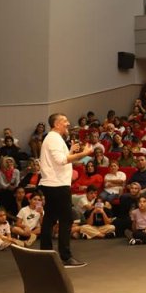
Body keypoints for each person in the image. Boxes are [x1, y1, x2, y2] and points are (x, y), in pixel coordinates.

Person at [38, 113, 93, 267]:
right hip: (57, 185)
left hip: (53, 184)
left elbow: (60, 159)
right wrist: (84, 154)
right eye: (64, 121)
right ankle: (65, 257)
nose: (68, 123)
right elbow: (61, 161)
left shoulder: (52, 138)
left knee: (49, 219)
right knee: (66, 219)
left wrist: (70, 151)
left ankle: (46, 255)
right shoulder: (54, 139)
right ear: (56, 124)